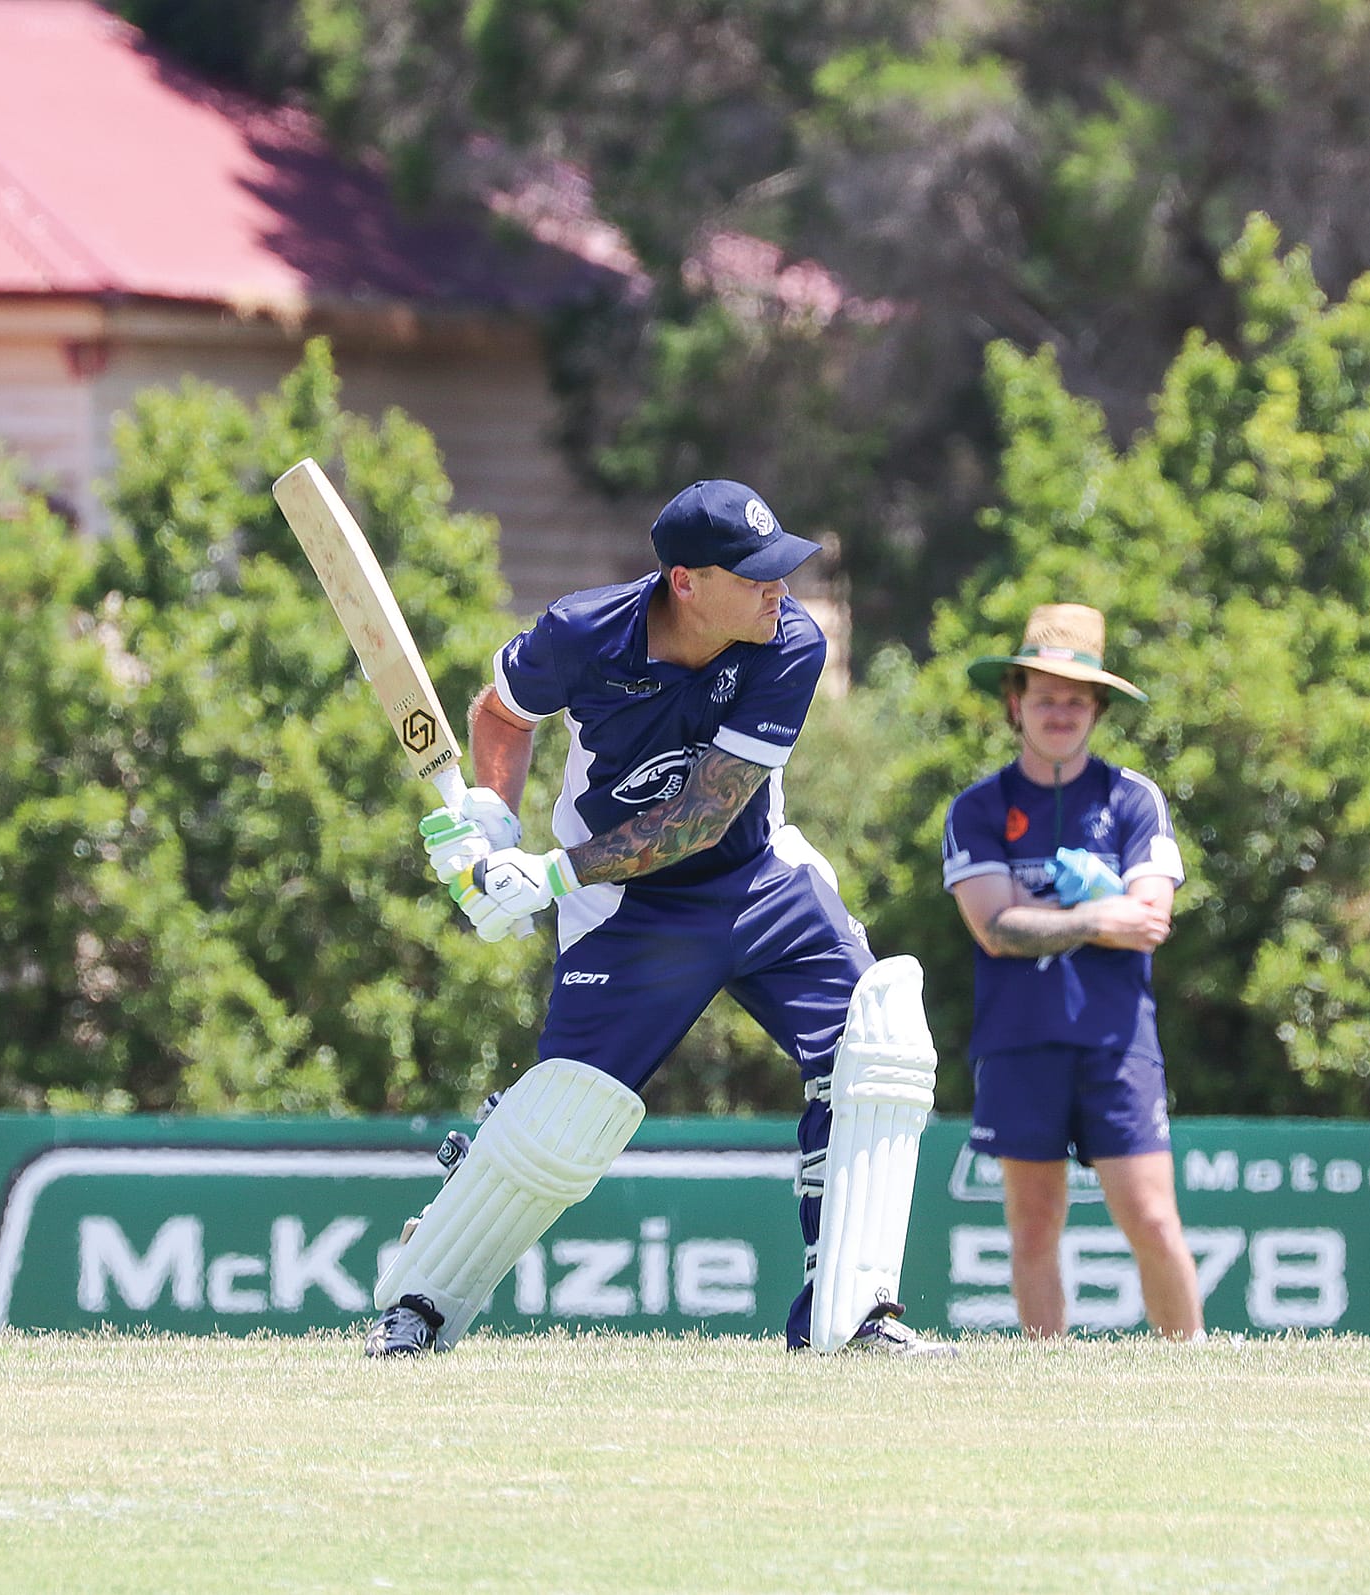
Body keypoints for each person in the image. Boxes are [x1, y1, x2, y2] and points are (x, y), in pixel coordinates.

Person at [366, 479, 948, 1358]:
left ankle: (854, 1319)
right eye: (754, 574)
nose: (778, 590)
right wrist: (492, 817)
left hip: (757, 877)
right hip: (626, 910)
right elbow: (502, 712)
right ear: (685, 581)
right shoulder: (581, 632)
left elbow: (701, 819)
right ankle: (417, 1303)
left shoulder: (788, 644)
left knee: (876, 1042)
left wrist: (550, 873)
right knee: (560, 1117)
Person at [941, 603, 1203, 1340]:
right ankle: (1047, 1383)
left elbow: (1151, 920)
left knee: (1152, 1219)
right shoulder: (977, 808)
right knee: (1032, 1226)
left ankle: (1191, 1372)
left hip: (1119, 1043)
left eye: (1076, 698)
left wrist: (1041, 912)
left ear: (1098, 709)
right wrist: (1097, 915)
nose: (1060, 711)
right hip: (1018, 1040)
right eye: (1045, 696)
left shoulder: (1133, 800)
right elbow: (995, 929)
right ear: (1015, 703)